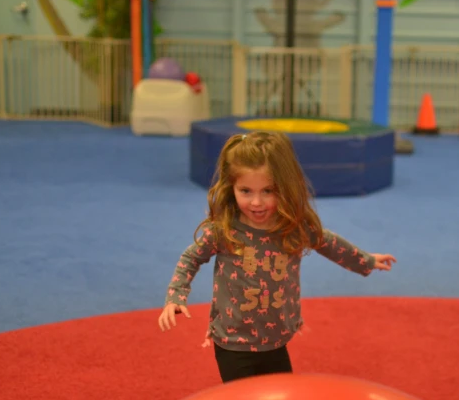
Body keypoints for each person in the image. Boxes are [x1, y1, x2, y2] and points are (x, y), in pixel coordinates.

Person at [158, 131, 396, 383]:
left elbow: (328, 243)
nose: (257, 202)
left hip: (275, 339)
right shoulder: (224, 229)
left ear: (285, 186)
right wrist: (176, 295)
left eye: (268, 191)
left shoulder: (291, 226)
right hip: (233, 342)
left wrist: (366, 261)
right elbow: (190, 258)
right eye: (246, 191)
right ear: (232, 187)